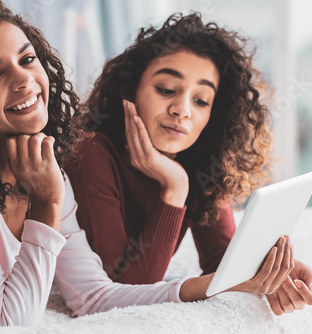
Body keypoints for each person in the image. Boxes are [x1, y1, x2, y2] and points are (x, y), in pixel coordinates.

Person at [0, 1, 301, 326]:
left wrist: (215, 285)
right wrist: (46, 206)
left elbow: (94, 297)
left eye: (27, 60)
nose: (25, 82)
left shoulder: (44, 164)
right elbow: (5, 322)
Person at [64, 13, 312, 316]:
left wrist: (272, 272)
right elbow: (124, 293)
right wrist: (174, 187)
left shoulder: (203, 160)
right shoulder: (90, 154)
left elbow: (222, 260)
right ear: (129, 92)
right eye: (167, 89)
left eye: (201, 101)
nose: (182, 110)